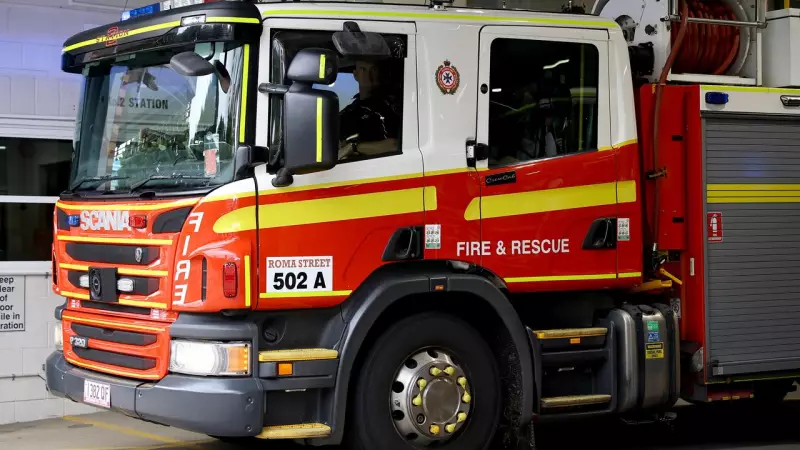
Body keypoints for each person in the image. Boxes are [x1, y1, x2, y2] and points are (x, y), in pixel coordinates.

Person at [338, 59, 402, 160]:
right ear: (355, 74)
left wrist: (354, 147)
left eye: (374, 69)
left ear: (381, 73)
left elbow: (396, 146)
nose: (369, 76)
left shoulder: (390, 108)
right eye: (363, 69)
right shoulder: (346, 113)